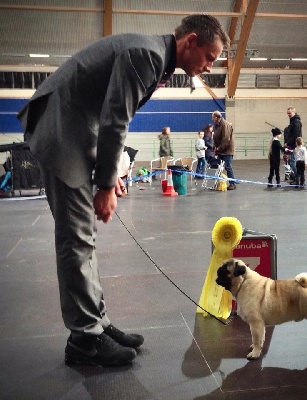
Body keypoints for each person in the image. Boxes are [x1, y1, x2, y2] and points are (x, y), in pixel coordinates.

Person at [17, 14, 229, 367]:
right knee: (75, 238)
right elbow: (116, 117)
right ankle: (84, 341)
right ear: (190, 41)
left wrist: (110, 169)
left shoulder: (154, 57)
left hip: (76, 129)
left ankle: (97, 324)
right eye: (209, 57)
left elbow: (105, 111)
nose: (209, 67)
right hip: (63, 130)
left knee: (84, 239)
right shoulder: (146, 55)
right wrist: (104, 185)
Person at [212, 110, 236, 190]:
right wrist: (215, 147)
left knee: (228, 167)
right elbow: (215, 137)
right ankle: (218, 183)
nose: (212, 119)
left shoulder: (225, 125)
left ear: (217, 117)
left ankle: (232, 184)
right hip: (220, 150)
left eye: (213, 117)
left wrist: (219, 148)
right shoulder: (216, 126)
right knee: (219, 167)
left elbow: (226, 139)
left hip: (227, 150)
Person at [284, 107, 302, 183]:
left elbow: (296, 134)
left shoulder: (296, 122)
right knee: (291, 162)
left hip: (294, 145)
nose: (288, 114)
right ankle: (297, 177)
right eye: (287, 113)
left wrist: (288, 143)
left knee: (292, 162)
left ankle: (298, 177)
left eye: (290, 113)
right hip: (292, 144)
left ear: (294, 112)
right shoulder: (293, 121)